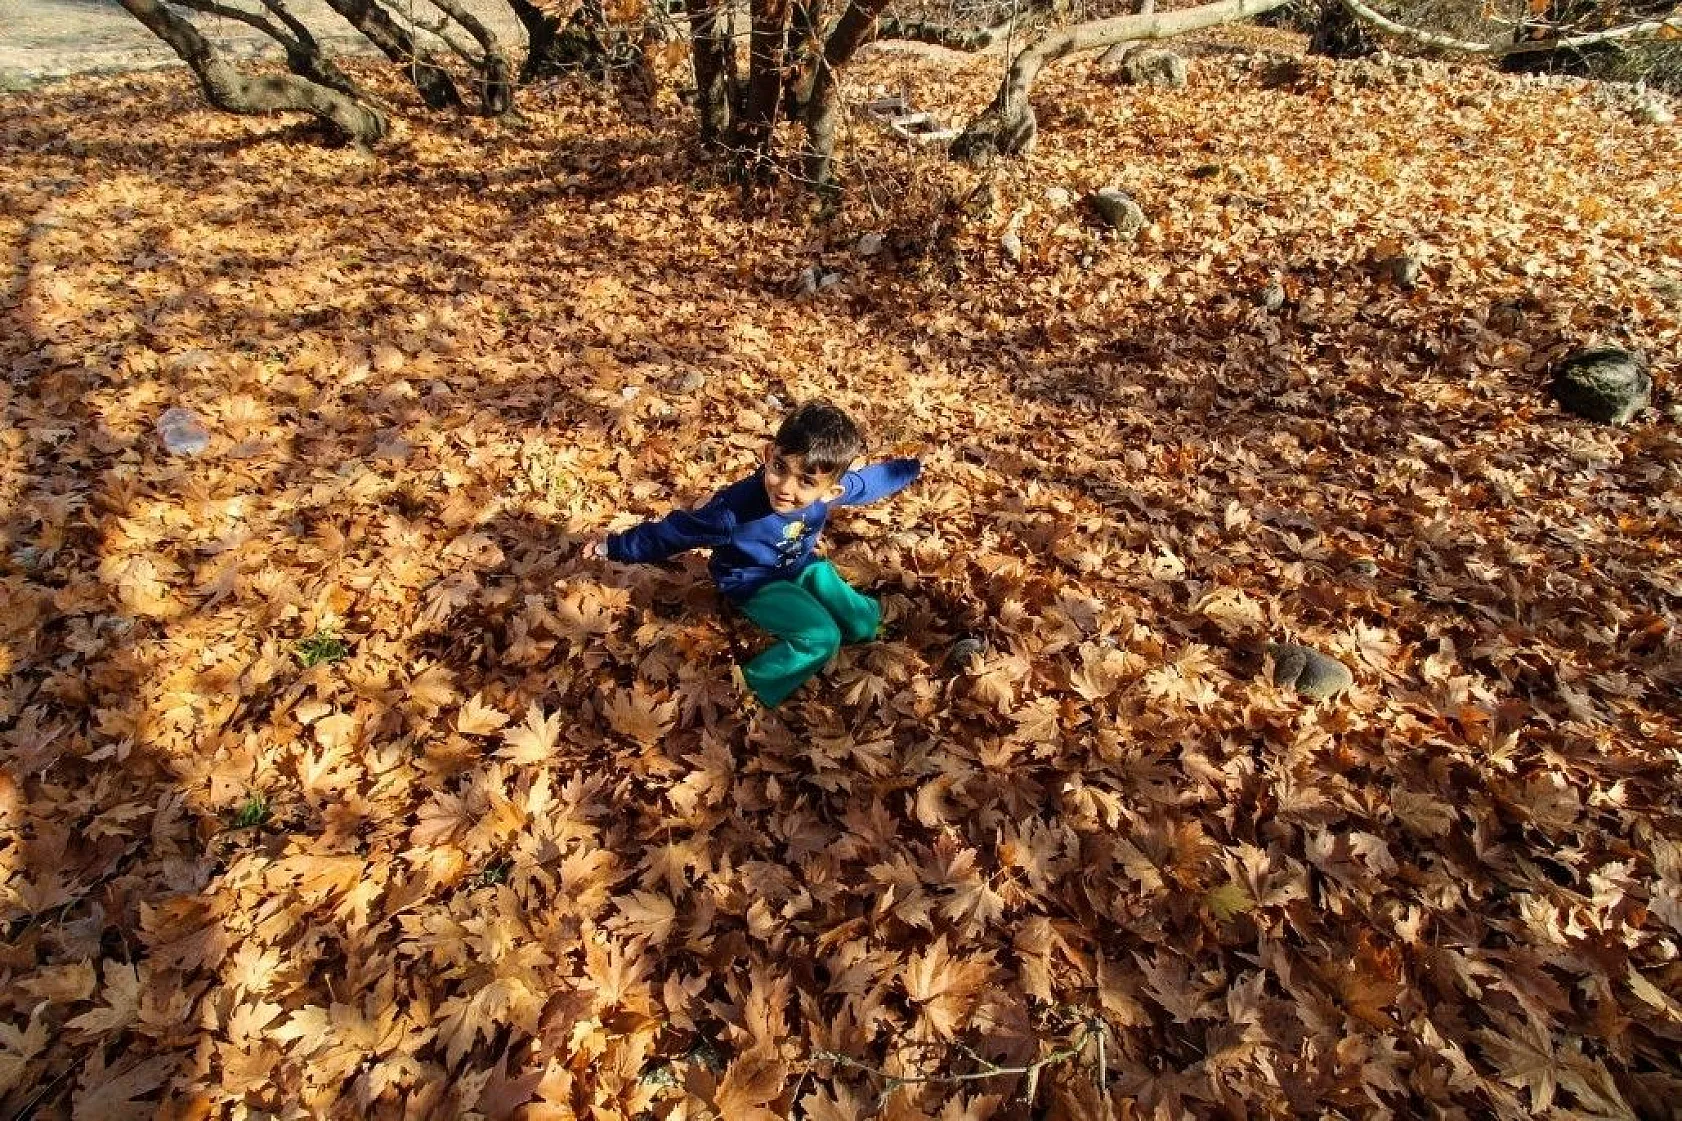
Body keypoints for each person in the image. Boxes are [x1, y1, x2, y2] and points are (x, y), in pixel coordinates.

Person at [588, 401, 921, 707]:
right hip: (752, 580)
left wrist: (913, 466)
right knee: (821, 637)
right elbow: (674, 533)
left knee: (859, 617)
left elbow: (871, 482)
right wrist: (615, 547)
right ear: (768, 454)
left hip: (799, 565)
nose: (785, 487)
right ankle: (753, 689)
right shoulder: (732, 511)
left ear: (830, 490)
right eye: (779, 467)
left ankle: (869, 630)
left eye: (805, 481)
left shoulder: (830, 491)